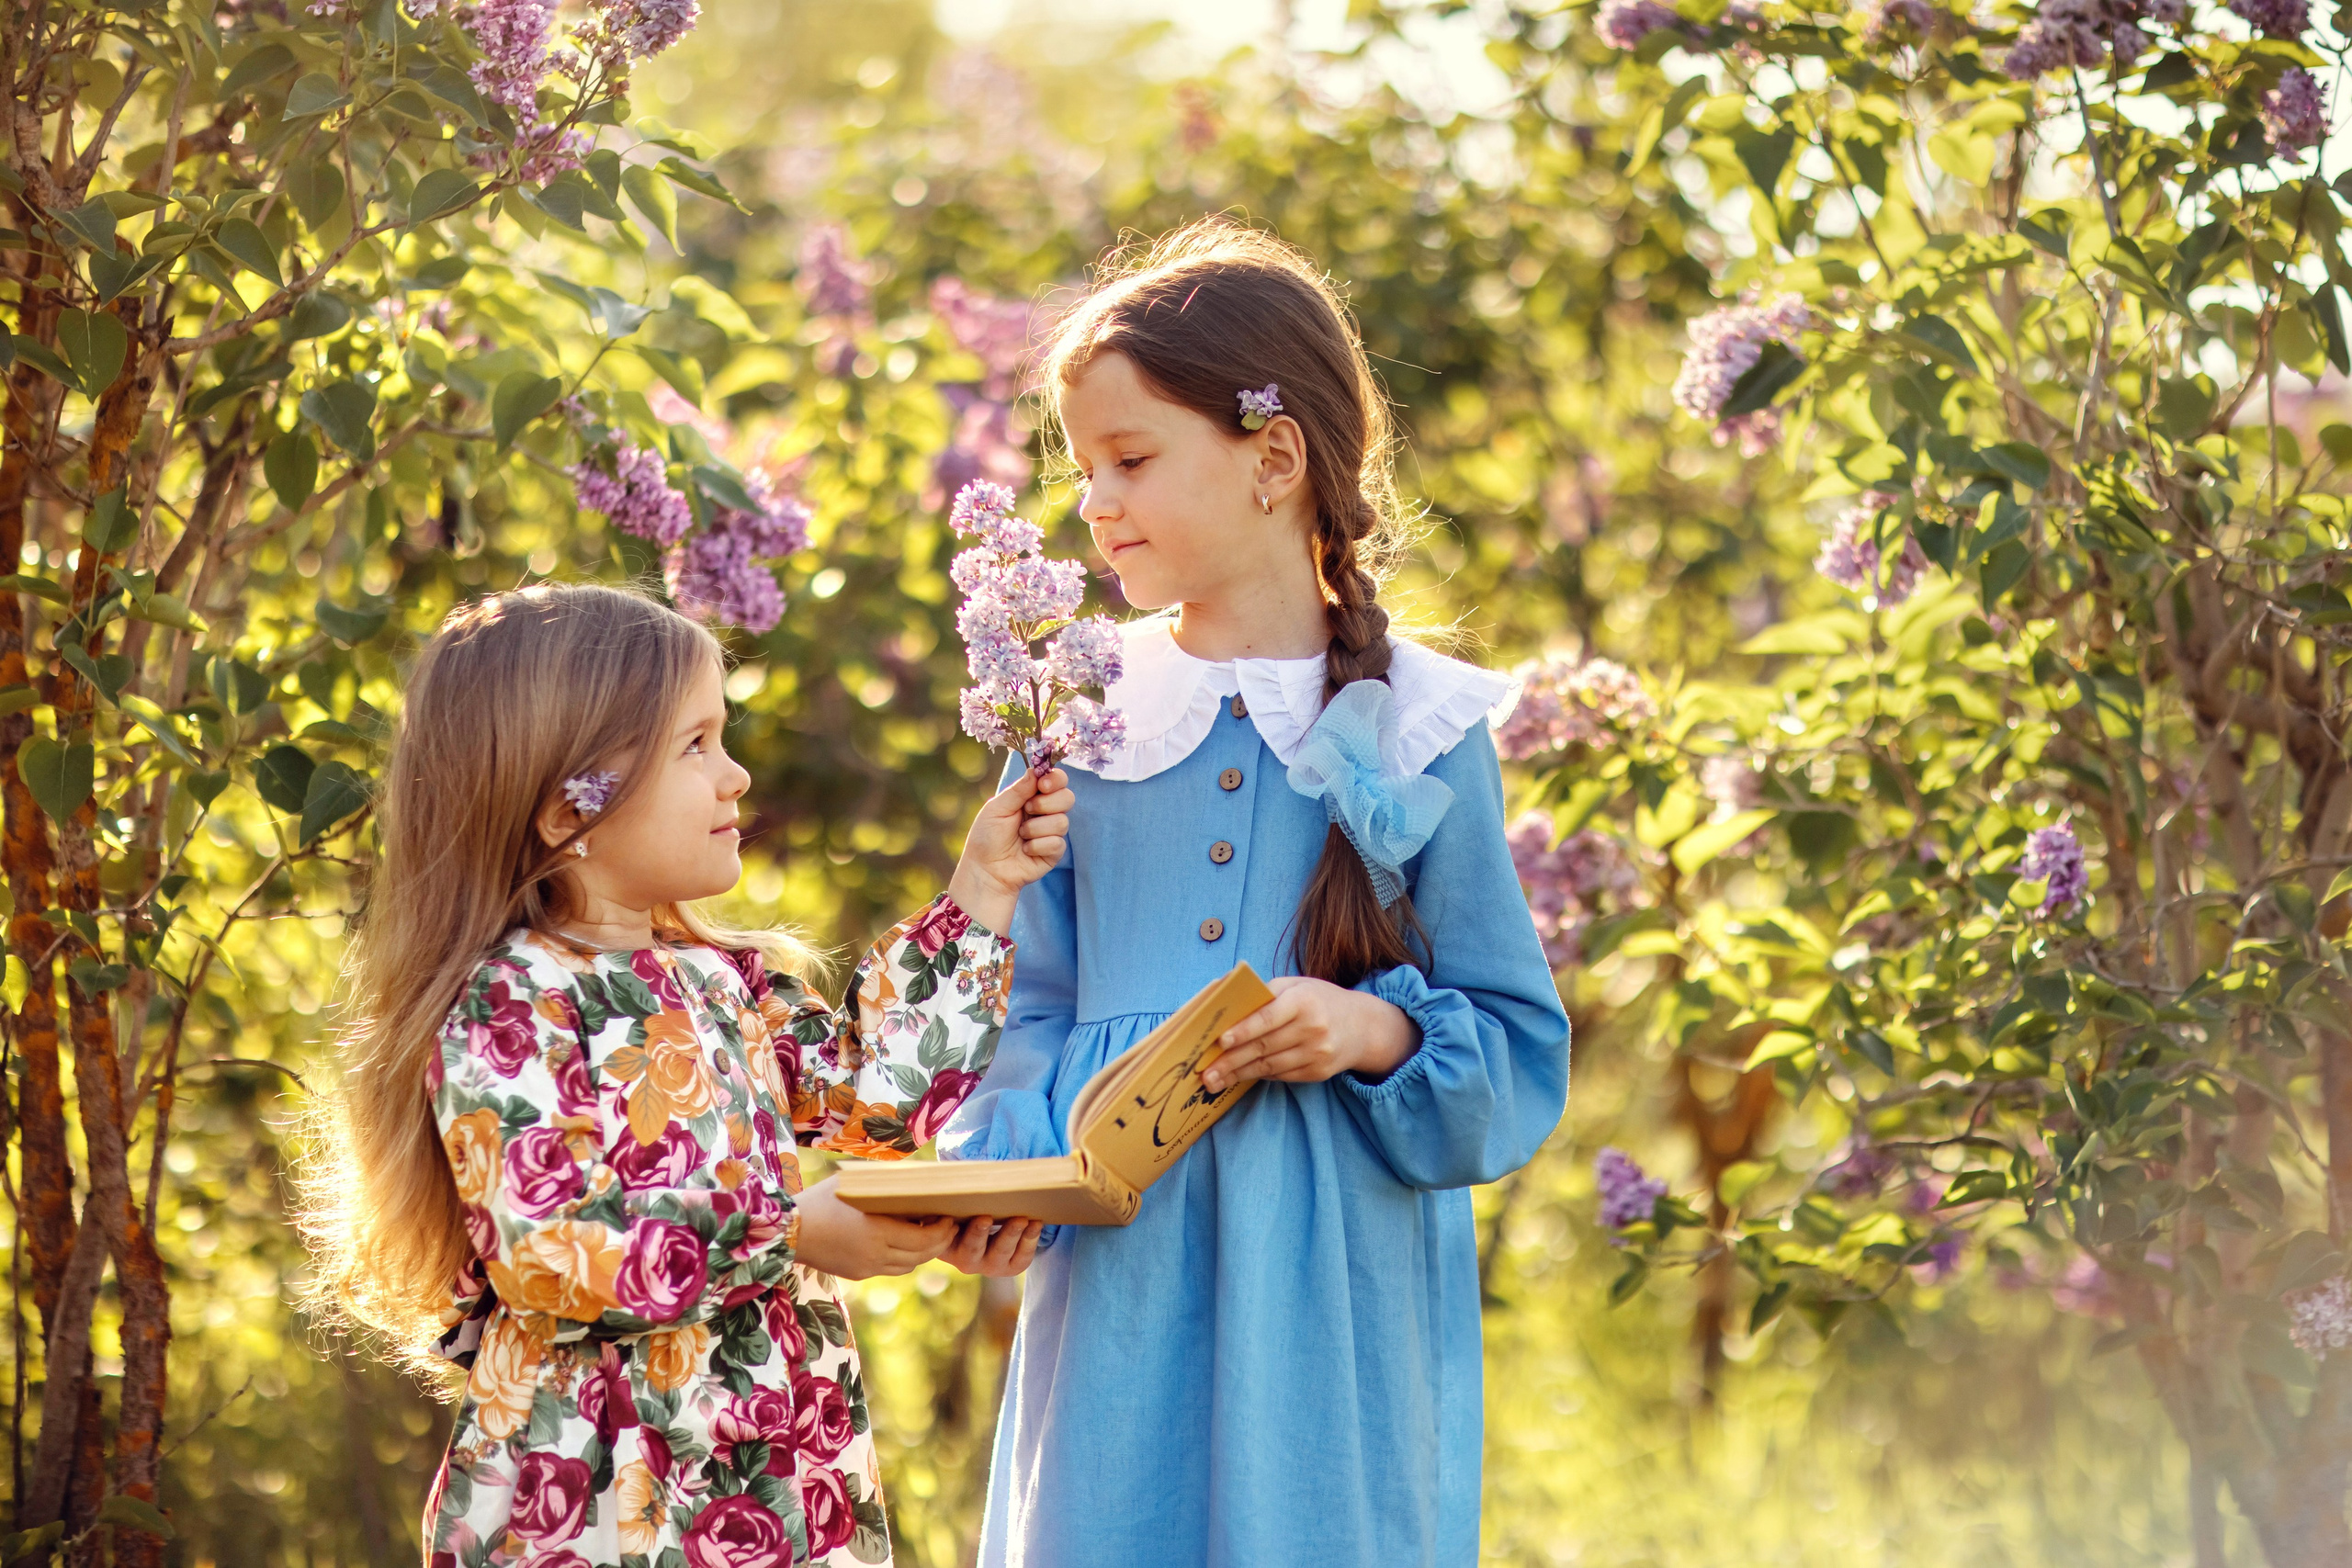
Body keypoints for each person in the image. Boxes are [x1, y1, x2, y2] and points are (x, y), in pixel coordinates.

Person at [940, 220, 1572, 1566]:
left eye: (1130, 460)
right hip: (1124, 1260)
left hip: (1332, 1283)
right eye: (1082, 468)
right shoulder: (1077, 710)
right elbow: (1032, 996)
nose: (1094, 504)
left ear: (1272, 459)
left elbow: (1513, 1033)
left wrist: (1368, 1029)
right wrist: (999, 1163)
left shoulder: (1420, 723)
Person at [301, 582, 1069, 1566]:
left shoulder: (721, 981)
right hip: (606, 1489)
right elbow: (552, 1246)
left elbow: (873, 1097)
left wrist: (982, 888)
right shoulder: (511, 1000)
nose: (736, 776)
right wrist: (791, 1231)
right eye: (695, 746)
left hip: (763, 1471)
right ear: (561, 805)